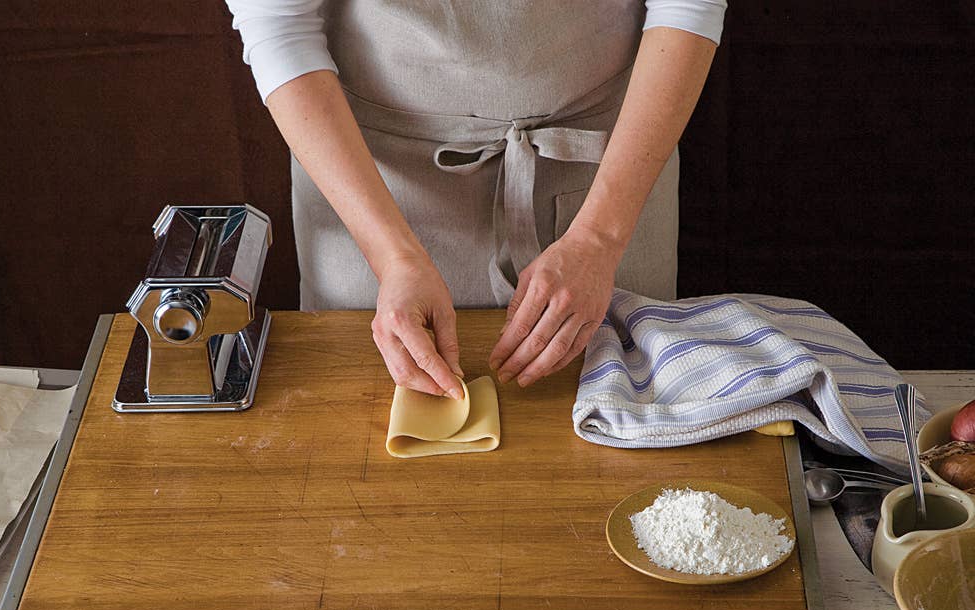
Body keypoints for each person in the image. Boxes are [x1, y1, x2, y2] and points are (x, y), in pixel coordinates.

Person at [226, 1, 726, 400]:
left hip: (609, 173)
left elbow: (687, 5)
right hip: (374, 187)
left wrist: (599, 236)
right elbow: (279, 28)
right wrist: (393, 256)